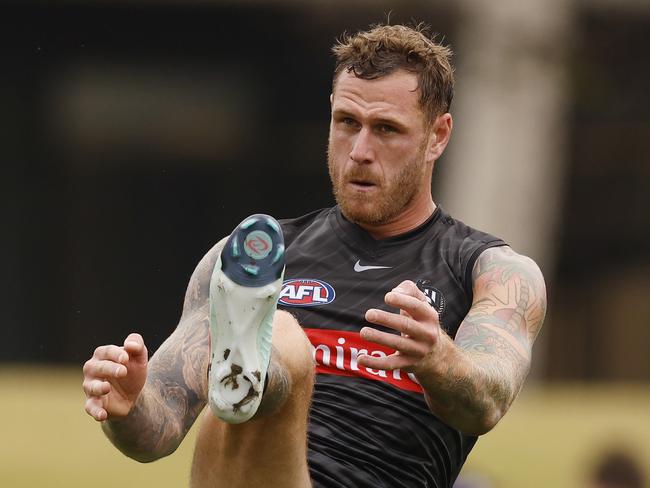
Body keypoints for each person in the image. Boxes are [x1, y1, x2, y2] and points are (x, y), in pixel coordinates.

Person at [82, 23, 546, 488]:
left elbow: (487, 400)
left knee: (279, 335)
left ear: (438, 136)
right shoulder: (252, 258)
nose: (360, 152)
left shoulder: (491, 271)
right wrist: (128, 406)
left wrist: (437, 358)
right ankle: (254, 375)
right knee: (278, 336)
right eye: (348, 123)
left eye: (386, 129)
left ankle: (257, 370)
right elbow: (154, 436)